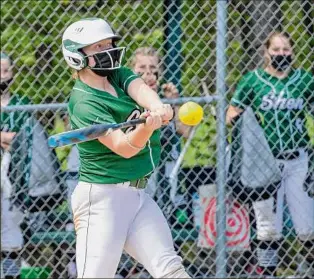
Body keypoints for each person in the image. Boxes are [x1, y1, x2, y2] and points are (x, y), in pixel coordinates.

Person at [61, 18, 191, 278]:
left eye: (109, 44)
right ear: (77, 56)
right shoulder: (84, 102)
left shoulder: (116, 74)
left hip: (137, 196)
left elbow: (141, 88)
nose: (108, 51)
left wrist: (156, 107)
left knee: (171, 270)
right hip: (101, 201)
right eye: (98, 47)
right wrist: (147, 127)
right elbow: (124, 147)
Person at [226, 31, 314, 277]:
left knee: (306, 226)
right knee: (267, 227)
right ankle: (268, 273)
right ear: (266, 52)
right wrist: (244, 123)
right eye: (276, 50)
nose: (281, 54)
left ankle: (308, 271)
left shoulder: (304, 80)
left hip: (298, 160)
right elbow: (231, 113)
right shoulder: (253, 81)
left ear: (293, 52)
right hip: (265, 163)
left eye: (286, 50)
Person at [130, 47, 191, 227]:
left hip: (167, 175)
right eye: (142, 68)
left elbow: (185, 132)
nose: (148, 73)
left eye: (152, 68)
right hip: (140, 173)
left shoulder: (164, 102)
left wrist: (174, 101)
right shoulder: (128, 100)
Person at [1, 52, 28, 279]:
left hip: (13, 174)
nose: (2, 76)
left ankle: (11, 274)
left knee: (9, 227)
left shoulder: (22, 103)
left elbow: (18, 139)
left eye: (6, 71)